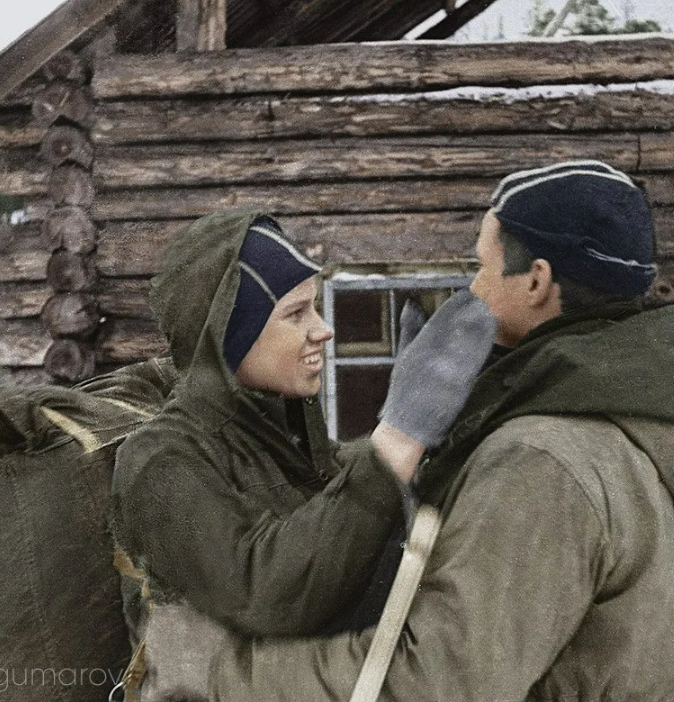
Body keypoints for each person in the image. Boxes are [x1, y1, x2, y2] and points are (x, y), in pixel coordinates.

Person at [207, 161, 674, 702]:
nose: (472, 288)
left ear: (537, 281)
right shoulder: (659, 421)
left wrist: (224, 674)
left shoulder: (542, 463)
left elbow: (437, 682)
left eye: (484, 267)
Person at [110, 208, 496, 699]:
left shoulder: (292, 445)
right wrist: (395, 441)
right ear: (230, 333)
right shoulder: (161, 463)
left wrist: (422, 451)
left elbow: (346, 533)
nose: (323, 330)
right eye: (296, 313)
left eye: (315, 308)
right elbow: (262, 592)